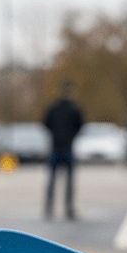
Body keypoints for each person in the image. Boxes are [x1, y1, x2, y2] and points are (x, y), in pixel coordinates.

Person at [42, 82, 84, 219]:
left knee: (52, 180)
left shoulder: (53, 108)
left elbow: (45, 123)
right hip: (67, 147)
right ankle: (69, 208)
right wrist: (71, 136)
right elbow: (81, 124)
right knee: (69, 181)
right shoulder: (74, 108)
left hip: (55, 147)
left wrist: (55, 134)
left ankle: (49, 208)